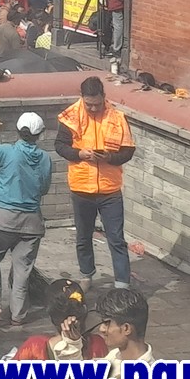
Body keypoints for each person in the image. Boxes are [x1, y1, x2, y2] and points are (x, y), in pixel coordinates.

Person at [0, 112, 53, 325]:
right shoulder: (45, 159)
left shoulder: (4, 151)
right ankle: (18, 315)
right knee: (22, 271)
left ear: (18, 131)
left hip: (0, 218)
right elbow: (44, 189)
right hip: (32, 222)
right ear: (40, 134)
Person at [56, 77, 134, 289]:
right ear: (82, 98)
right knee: (83, 236)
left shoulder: (117, 118)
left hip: (110, 189)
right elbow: (60, 146)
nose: (93, 108)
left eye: (97, 104)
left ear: (104, 97)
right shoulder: (70, 117)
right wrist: (79, 154)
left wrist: (110, 157)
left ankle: (122, 284)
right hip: (81, 187)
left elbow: (128, 151)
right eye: (88, 104)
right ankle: (86, 274)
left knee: (116, 238)